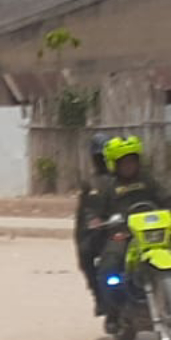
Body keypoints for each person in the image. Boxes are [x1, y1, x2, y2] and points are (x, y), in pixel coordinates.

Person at [84, 136, 171, 334]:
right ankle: (114, 311)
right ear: (114, 164)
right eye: (124, 162)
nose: (129, 165)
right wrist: (95, 219)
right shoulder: (106, 186)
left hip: (152, 232)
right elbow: (94, 209)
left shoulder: (148, 180)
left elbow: (167, 198)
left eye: (132, 160)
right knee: (109, 264)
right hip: (123, 234)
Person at [74, 135, 111, 316]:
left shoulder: (130, 176)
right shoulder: (91, 183)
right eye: (99, 157)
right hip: (104, 230)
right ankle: (100, 297)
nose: (102, 161)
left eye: (105, 157)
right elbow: (85, 212)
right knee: (85, 252)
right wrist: (93, 223)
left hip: (132, 227)